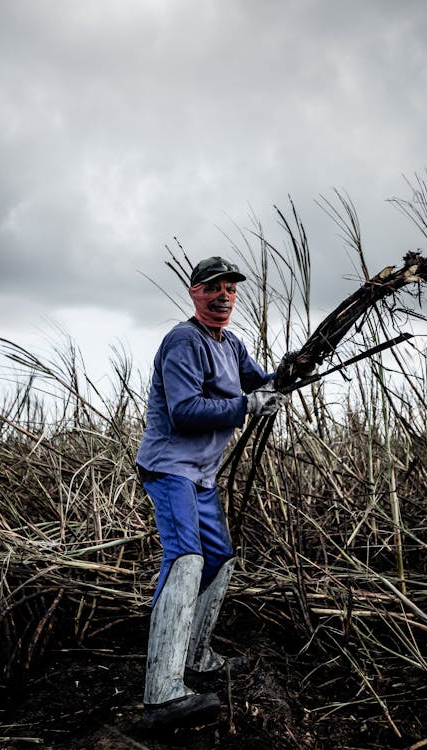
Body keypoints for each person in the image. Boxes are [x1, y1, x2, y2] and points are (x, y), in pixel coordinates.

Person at [136, 256, 288, 731]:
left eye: (230, 289)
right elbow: (184, 411)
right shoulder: (184, 340)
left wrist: (292, 371)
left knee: (219, 559)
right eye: (211, 288)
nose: (223, 296)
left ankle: (198, 656)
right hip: (169, 467)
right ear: (193, 292)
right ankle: (161, 692)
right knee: (185, 559)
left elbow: (263, 382)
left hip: (200, 474)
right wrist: (248, 404)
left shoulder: (232, 343)